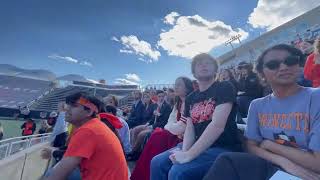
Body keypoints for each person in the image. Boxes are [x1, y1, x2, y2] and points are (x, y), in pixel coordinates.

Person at [203, 44, 320, 180]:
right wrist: (284, 162)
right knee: (227, 161)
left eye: (290, 61)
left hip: (309, 173)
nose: (283, 67)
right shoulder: (257, 105)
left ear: (298, 65)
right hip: (275, 165)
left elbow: (317, 163)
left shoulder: (316, 97)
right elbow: (250, 146)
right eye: (273, 64)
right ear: (262, 73)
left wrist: (271, 145)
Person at [150, 53, 242, 180]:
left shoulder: (224, 87)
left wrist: (188, 155)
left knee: (178, 172)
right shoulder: (191, 98)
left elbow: (217, 125)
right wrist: (185, 151)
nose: (203, 65)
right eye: (199, 63)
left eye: (208, 63)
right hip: (195, 145)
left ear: (216, 70)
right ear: (193, 72)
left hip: (222, 147)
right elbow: (189, 128)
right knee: (157, 162)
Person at [44, 92, 128, 180]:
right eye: (67, 105)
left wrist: (54, 153)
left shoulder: (88, 130)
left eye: (74, 105)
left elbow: (58, 174)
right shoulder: (94, 125)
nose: (67, 109)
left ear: (89, 111)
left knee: (52, 172)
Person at [131, 76, 193, 180]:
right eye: (175, 84)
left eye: (179, 85)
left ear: (187, 87)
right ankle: (143, 172)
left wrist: (168, 127)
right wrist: (169, 127)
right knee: (156, 136)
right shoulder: (178, 103)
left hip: (181, 137)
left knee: (156, 136)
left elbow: (181, 127)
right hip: (171, 132)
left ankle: (147, 171)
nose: (176, 87)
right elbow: (170, 120)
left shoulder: (190, 102)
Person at [128, 90, 171, 160]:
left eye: (162, 96)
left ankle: (133, 152)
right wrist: (147, 124)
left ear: (165, 96)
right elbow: (152, 118)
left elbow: (164, 121)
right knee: (135, 130)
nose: (161, 98)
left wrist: (152, 125)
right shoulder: (156, 105)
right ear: (157, 97)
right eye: (159, 96)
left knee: (141, 134)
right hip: (151, 124)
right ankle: (136, 151)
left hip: (159, 127)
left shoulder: (167, 107)